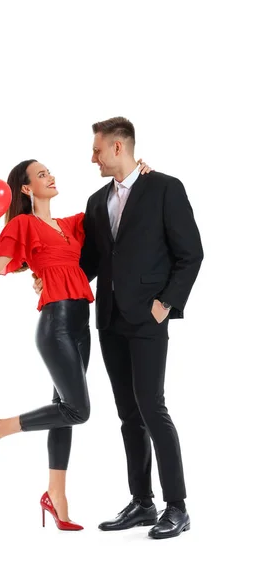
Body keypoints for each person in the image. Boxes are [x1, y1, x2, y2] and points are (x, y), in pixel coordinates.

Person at [0, 157, 151, 531]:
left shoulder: (71, 225)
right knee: (79, 410)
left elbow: (113, 206)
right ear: (26, 189)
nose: (51, 176)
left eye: (49, 171)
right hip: (55, 325)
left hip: (81, 325)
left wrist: (138, 175)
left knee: (64, 408)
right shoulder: (24, 225)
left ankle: (56, 496)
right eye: (42, 174)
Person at [34, 117, 203, 539]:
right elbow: (91, 262)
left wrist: (167, 303)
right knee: (128, 415)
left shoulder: (166, 187)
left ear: (117, 148)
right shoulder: (96, 201)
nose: (91, 158)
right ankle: (143, 502)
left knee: (153, 409)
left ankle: (177, 507)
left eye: (96, 150)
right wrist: (50, 276)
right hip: (108, 319)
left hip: (148, 318)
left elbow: (191, 253)